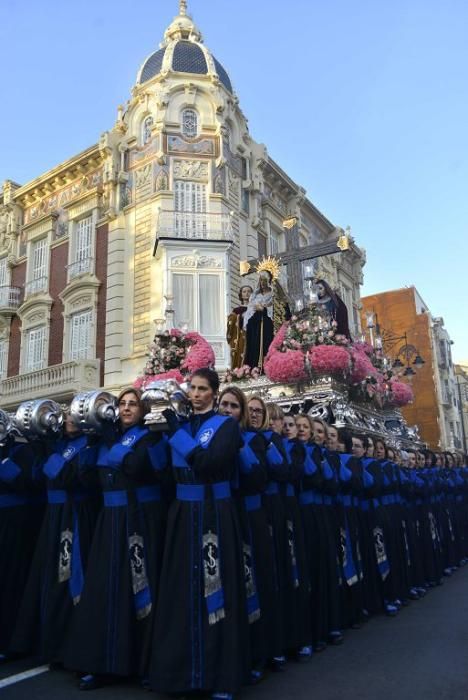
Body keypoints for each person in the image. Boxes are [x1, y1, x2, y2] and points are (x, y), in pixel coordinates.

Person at [150, 369, 249, 700]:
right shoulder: (182, 425)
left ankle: (221, 675)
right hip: (182, 513)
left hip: (213, 514)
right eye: (191, 387)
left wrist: (177, 434)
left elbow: (208, 463)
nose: (194, 393)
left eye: (202, 389)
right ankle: (180, 674)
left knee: (215, 588)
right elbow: (164, 473)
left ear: (214, 393)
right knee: (181, 590)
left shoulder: (227, 426)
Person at [64, 388, 168, 690]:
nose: (125, 408)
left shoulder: (150, 438)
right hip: (110, 520)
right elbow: (88, 480)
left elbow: (135, 467)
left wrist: (109, 440)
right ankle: (103, 662)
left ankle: (143, 663)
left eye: (132, 404)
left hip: (138, 520)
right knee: (106, 590)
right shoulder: (105, 437)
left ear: (142, 409)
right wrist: (90, 446)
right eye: (122, 404)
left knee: (141, 588)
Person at [11, 413, 100, 666]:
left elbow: (69, 478)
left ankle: (67, 646)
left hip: (73, 517)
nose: (67, 420)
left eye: (73, 416)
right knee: (44, 577)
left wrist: (50, 453)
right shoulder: (59, 443)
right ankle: (44, 642)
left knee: (69, 578)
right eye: (66, 416)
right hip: (52, 517)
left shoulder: (87, 444)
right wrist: (43, 449)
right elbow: (38, 478)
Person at [243, 271, 274, 370]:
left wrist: (263, 309)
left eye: (264, 280)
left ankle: (265, 367)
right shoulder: (255, 295)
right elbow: (250, 310)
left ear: (268, 281)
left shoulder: (273, 294)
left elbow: (273, 309)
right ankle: (253, 368)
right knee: (253, 346)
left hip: (267, 324)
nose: (262, 283)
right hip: (254, 324)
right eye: (260, 280)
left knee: (266, 344)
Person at [226, 285, 253, 369]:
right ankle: (239, 372)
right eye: (244, 291)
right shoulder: (237, 310)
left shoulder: (256, 309)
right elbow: (231, 324)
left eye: (249, 291)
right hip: (241, 337)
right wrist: (239, 317)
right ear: (241, 295)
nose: (247, 293)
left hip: (253, 336)